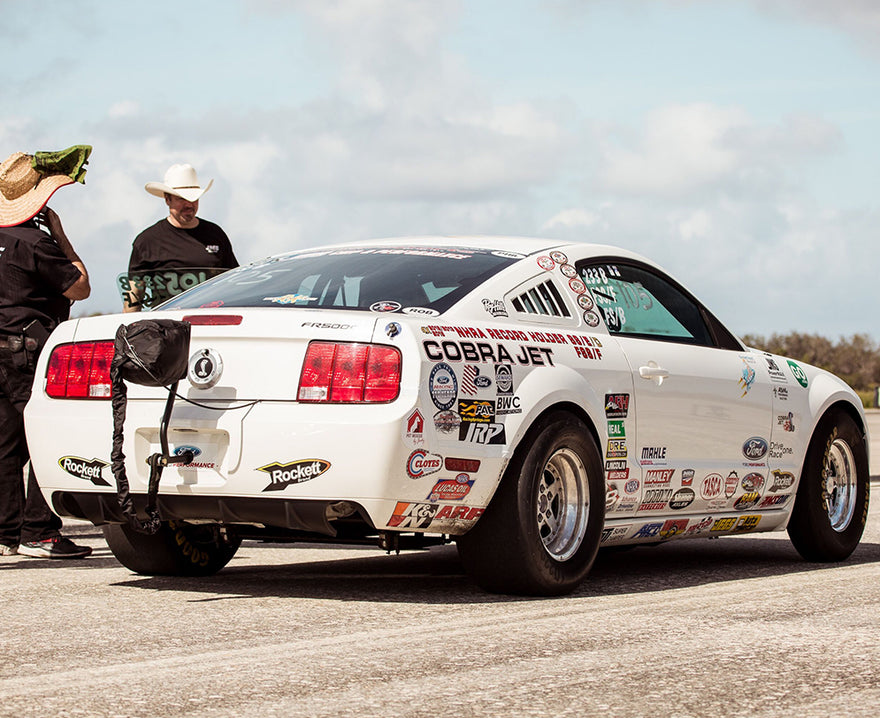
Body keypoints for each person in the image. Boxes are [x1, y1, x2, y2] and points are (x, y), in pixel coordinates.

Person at [0, 145, 93, 558]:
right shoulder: (35, 242)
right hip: (28, 347)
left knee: (4, 443)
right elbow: (80, 286)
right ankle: (38, 530)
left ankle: (4, 533)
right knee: (42, 435)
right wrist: (60, 234)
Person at [123, 163, 238, 311]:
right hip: (166, 325)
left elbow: (233, 283)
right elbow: (134, 295)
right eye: (181, 199)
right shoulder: (147, 241)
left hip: (211, 323)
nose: (189, 204)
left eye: (193, 199)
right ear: (167, 199)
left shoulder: (216, 234)